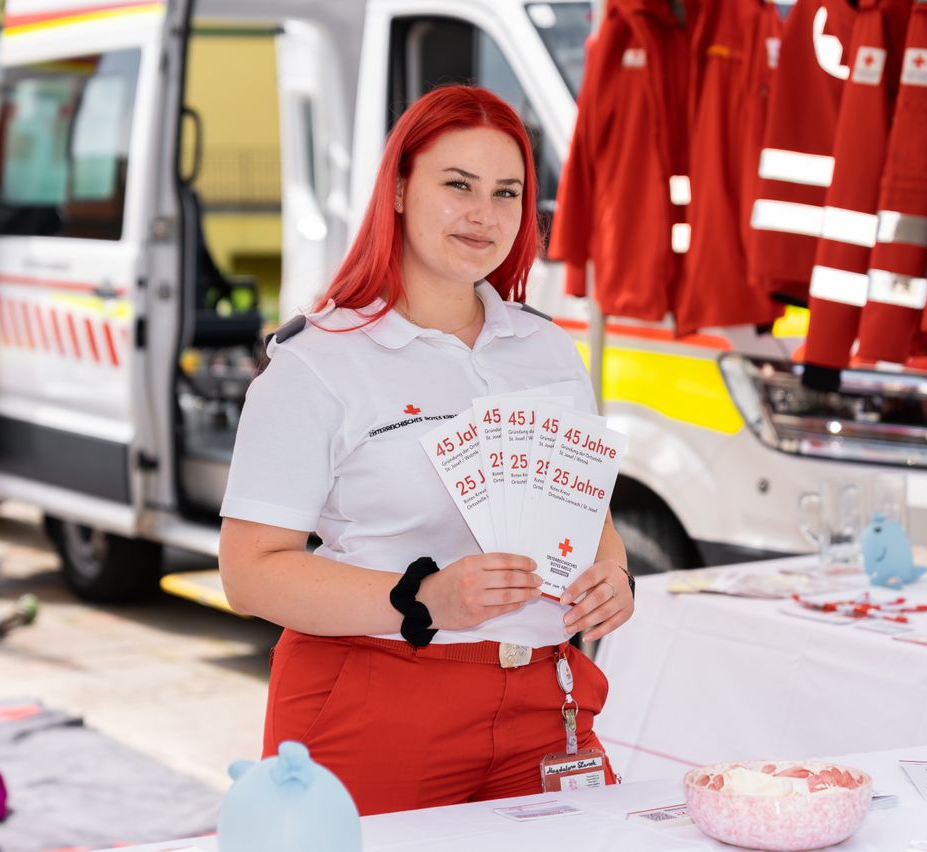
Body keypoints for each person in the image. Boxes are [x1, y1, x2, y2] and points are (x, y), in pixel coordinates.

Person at [218, 85, 635, 816]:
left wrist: (613, 573)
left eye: (508, 192)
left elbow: (585, 509)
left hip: (546, 699)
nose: (485, 214)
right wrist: (424, 598)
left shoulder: (548, 349)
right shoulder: (319, 362)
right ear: (401, 189)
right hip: (375, 699)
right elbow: (249, 575)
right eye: (459, 186)